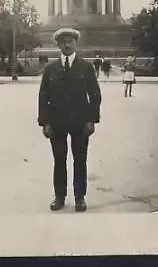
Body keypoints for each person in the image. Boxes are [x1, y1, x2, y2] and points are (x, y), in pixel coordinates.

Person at [38, 28, 101, 212]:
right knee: (59, 160)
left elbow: (95, 95)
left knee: (80, 160)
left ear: (76, 44)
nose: (66, 45)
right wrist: (45, 123)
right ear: (58, 44)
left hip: (80, 122)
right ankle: (59, 197)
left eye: (70, 41)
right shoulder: (51, 69)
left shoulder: (86, 67)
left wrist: (91, 120)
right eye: (63, 41)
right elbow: (43, 96)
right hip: (57, 123)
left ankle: (80, 197)